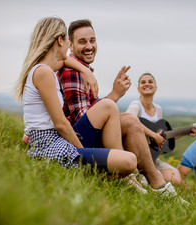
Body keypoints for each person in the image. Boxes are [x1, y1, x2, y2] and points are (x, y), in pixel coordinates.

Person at [58, 19, 181, 198]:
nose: (89, 46)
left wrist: (114, 95)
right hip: (75, 141)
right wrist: (114, 95)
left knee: (129, 120)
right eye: (82, 41)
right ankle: (141, 179)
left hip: (82, 134)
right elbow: (83, 118)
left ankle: (154, 182)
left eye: (92, 40)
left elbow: (93, 112)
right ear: (70, 45)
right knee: (125, 116)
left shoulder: (82, 70)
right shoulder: (72, 71)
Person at [14, 17, 137, 177]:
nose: (68, 46)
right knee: (129, 161)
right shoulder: (43, 72)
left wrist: (86, 71)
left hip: (54, 140)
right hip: (49, 144)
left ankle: (117, 176)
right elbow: (61, 124)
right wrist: (81, 153)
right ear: (60, 40)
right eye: (66, 39)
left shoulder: (45, 68)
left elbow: (66, 61)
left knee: (126, 160)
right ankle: (109, 175)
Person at [126, 73, 196, 185]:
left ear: (156, 87)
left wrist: (187, 131)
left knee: (176, 178)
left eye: (150, 81)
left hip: (152, 158)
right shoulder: (136, 105)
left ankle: (195, 196)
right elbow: (129, 118)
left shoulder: (158, 109)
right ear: (138, 88)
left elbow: (161, 138)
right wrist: (153, 135)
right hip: (136, 155)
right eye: (143, 82)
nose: (147, 84)